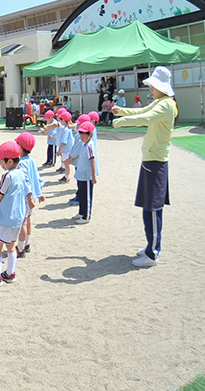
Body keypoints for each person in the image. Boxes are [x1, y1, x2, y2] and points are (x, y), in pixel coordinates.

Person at [112, 66, 177, 267]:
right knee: (148, 207)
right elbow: (143, 111)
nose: (150, 89)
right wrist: (121, 111)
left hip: (156, 162)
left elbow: (145, 118)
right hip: (151, 161)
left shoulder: (166, 105)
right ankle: (151, 246)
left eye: (152, 86)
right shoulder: (161, 102)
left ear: (161, 87)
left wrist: (122, 121)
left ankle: (153, 253)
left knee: (153, 208)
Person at [0, 142, 34, 287]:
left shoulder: (7, 176)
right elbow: (19, 192)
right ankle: (10, 273)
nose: (0, 163)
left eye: (1, 160)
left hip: (6, 217)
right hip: (18, 216)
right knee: (11, 246)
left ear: (9, 161)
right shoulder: (21, 173)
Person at [12, 132, 45, 258]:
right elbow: (37, 177)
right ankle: (27, 243)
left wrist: (29, 196)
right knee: (28, 220)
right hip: (32, 196)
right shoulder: (31, 160)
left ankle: (20, 248)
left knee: (23, 223)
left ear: (20, 146)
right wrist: (39, 192)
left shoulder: (20, 163)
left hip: (25, 197)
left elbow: (25, 182)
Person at [67, 122, 98, 224]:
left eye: (85, 134)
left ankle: (86, 216)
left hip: (87, 176)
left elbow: (92, 160)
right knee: (81, 195)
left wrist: (93, 176)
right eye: (81, 133)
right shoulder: (83, 144)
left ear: (90, 135)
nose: (82, 136)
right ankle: (81, 212)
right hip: (81, 175)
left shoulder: (90, 146)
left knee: (87, 197)